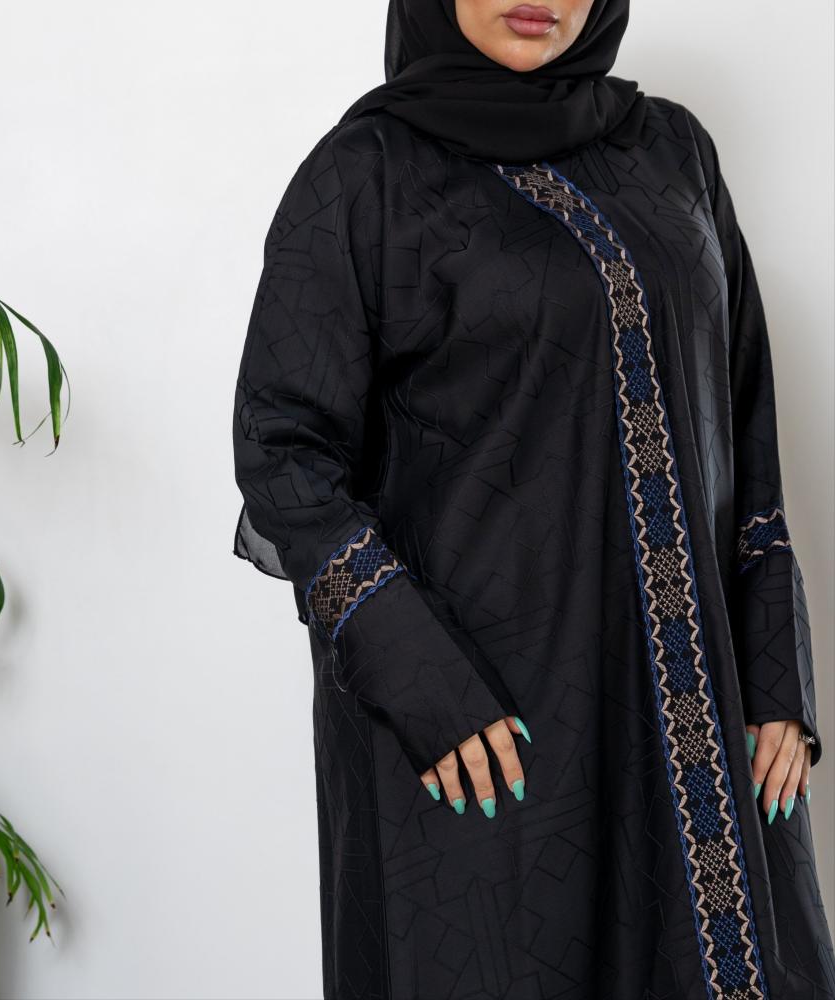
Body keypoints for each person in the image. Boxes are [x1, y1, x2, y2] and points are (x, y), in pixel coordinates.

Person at [230, 2, 835, 996]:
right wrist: (419, 678)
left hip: (691, 717)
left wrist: (776, 677)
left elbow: (744, 412)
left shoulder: (672, 152)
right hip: (482, 730)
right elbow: (283, 449)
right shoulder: (363, 177)